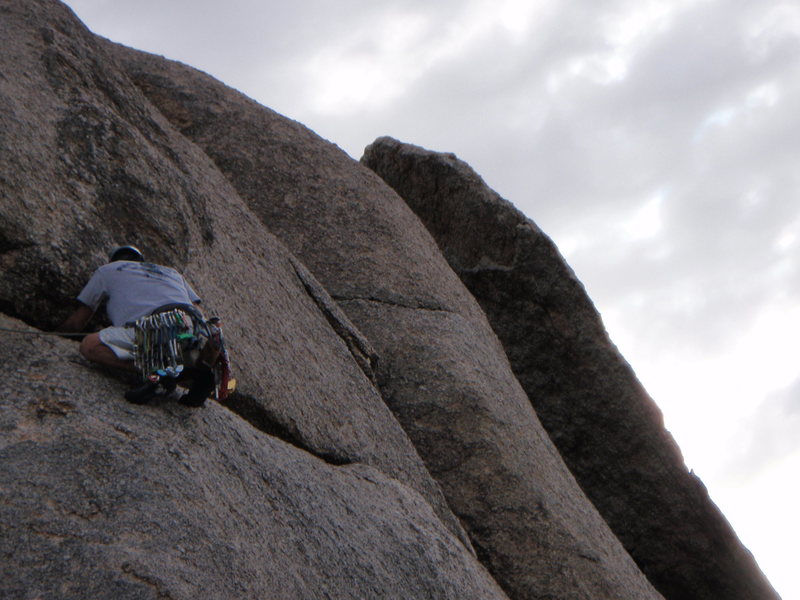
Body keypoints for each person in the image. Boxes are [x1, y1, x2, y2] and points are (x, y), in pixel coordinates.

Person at [59, 245, 215, 406]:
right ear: (140, 260)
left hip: (155, 325)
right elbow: (198, 310)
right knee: (182, 350)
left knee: (90, 345)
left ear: (113, 260)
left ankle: (158, 372)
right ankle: (196, 372)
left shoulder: (108, 270)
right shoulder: (172, 273)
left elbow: (76, 322)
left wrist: (58, 338)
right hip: (191, 326)